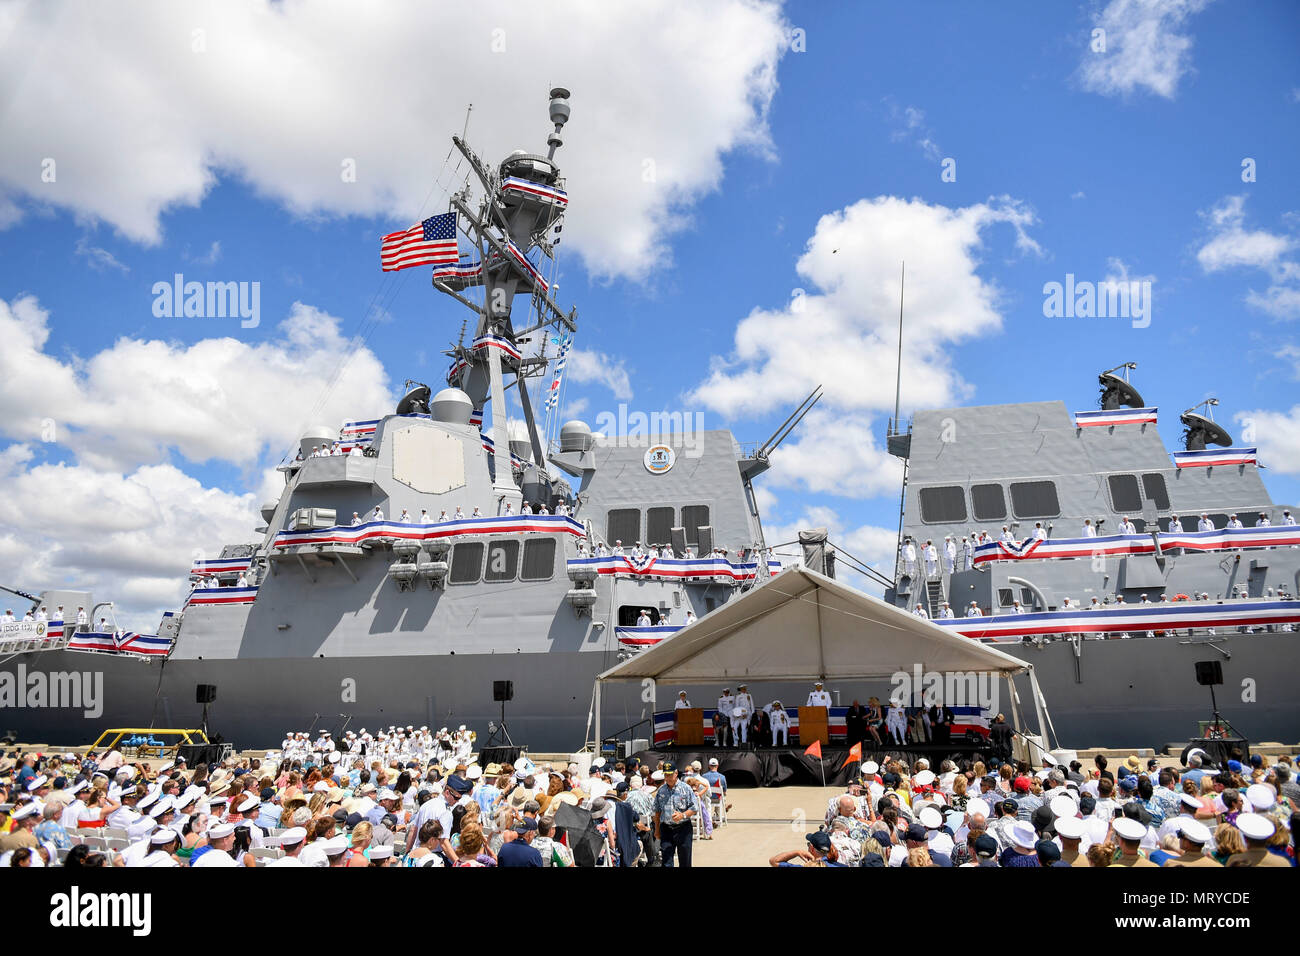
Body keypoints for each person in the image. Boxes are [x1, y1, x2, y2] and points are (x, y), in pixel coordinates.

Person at [653, 762, 697, 868]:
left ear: (676, 773)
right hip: (666, 829)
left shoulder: (685, 789)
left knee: (685, 860)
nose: (667, 778)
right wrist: (657, 830)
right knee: (666, 861)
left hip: (683, 829)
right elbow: (657, 811)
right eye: (665, 775)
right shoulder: (661, 791)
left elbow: (694, 808)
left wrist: (682, 815)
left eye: (670, 774)